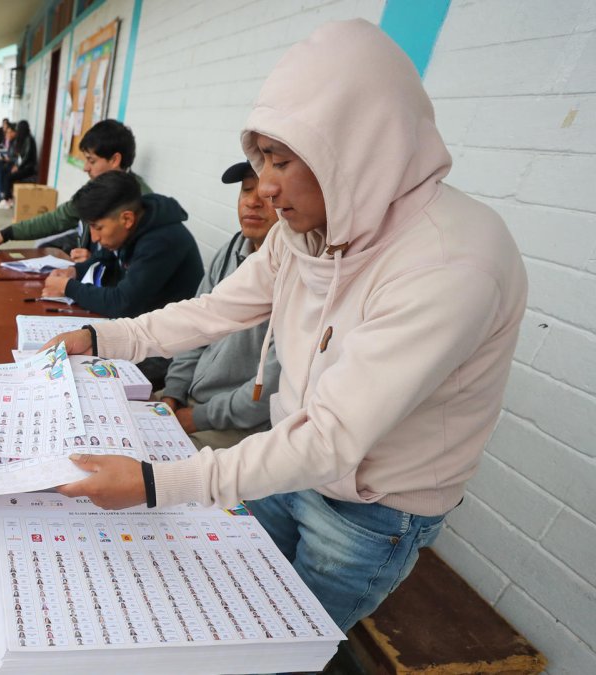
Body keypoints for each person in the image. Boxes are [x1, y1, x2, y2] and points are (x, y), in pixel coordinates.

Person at [44, 20, 528, 632]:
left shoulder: (452, 261)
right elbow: (214, 309)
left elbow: (333, 437)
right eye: (260, 159)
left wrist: (155, 482)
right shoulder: (307, 233)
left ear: (355, 150)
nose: (265, 187)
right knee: (229, 611)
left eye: (281, 162)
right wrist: (104, 338)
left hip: (367, 511)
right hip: (282, 464)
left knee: (280, 646)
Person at [159, 160, 281, 449]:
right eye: (246, 190)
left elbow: (267, 393)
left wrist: (196, 417)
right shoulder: (231, 250)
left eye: (265, 194)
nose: (252, 202)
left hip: (238, 425)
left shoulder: (299, 276)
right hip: (189, 400)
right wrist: (172, 394)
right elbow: (193, 329)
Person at [41, 170, 203, 319]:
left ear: (127, 219)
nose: (94, 238)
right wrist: (74, 272)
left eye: (98, 227)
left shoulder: (162, 241)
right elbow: (104, 257)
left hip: (171, 338)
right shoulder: (135, 223)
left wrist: (67, 287)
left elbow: (123, 303)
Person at [0, 120, 150, 260]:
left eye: (91, 161)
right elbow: (57, 219)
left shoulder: (141, 203)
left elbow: (133, 268)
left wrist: (94, 262)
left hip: (107, 283)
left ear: (115, 160)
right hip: (90, 263)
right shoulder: (97, 189)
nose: (85, 168)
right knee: (43, 247)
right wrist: (6, 233)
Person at [0, 120, 37, 209]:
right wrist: (16, 165)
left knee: (10, 176)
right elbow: (20, 157)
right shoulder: (24, 139)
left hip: (28, 168)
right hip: (23, 166)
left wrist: (17, 167)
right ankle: (6, 195)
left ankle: (7, 200)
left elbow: (26, 157)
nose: (16, 131)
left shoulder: (29, 140)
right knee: (5, 169)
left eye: (18, 129)